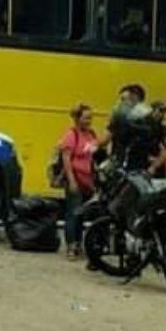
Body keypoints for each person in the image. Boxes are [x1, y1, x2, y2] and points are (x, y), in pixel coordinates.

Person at [58, 103, 98, 260]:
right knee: (73, 213)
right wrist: (72, 181)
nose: (89, 121)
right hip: (75, 179)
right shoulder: (71, 135)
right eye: (86, 118)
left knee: (82, 215)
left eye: (90, 118)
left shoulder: (91, 135)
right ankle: (71, 246)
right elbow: (66, 159)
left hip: (88, 181)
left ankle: (79, 243)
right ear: (77, 118)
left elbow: (93, 157)